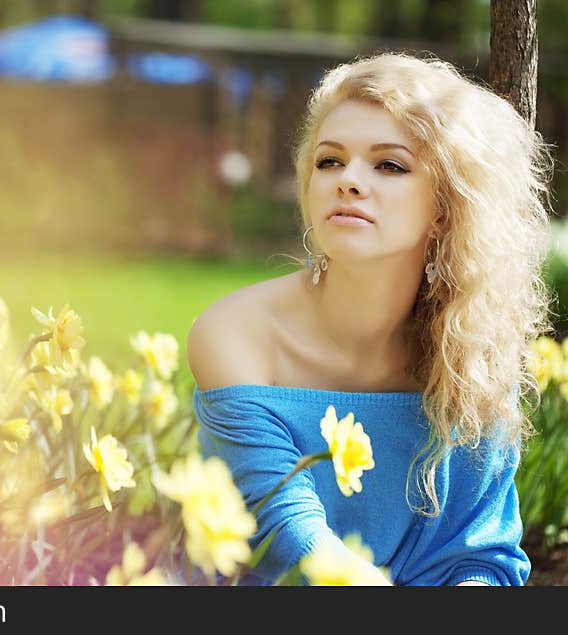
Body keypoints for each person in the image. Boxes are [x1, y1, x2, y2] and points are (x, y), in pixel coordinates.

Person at [187, 52, 556, 586]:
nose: (349, 181)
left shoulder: (472, 356)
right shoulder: (234, 336)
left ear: (445, 209)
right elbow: (293, 545)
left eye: (390, 165)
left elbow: (478, 558)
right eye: (329, 160)